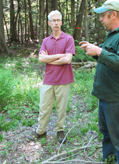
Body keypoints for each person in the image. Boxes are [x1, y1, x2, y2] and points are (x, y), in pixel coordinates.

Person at [79, 0, 119, 163]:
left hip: (117, 97)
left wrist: (99, 51)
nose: (100, 19)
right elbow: (110, 58)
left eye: (103, 15)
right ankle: (109, 161)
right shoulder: (112, 36)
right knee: (107, 135)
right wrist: (95, 51)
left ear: (113, 15)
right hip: (106, 95)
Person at [27, 10, 75, 143]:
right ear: (49, 23)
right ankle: (41, 131)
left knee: (61, 108)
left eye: (58, 20)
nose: (56, 23)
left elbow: (68, 60)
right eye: (53, 20)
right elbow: (41, 59)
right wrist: (59, 55)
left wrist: (49, 59)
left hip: (64, 79)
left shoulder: (68, 39)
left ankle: (60, 130)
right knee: (44, 107)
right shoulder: (45, 41)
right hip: (48, 79)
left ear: (61, 22)